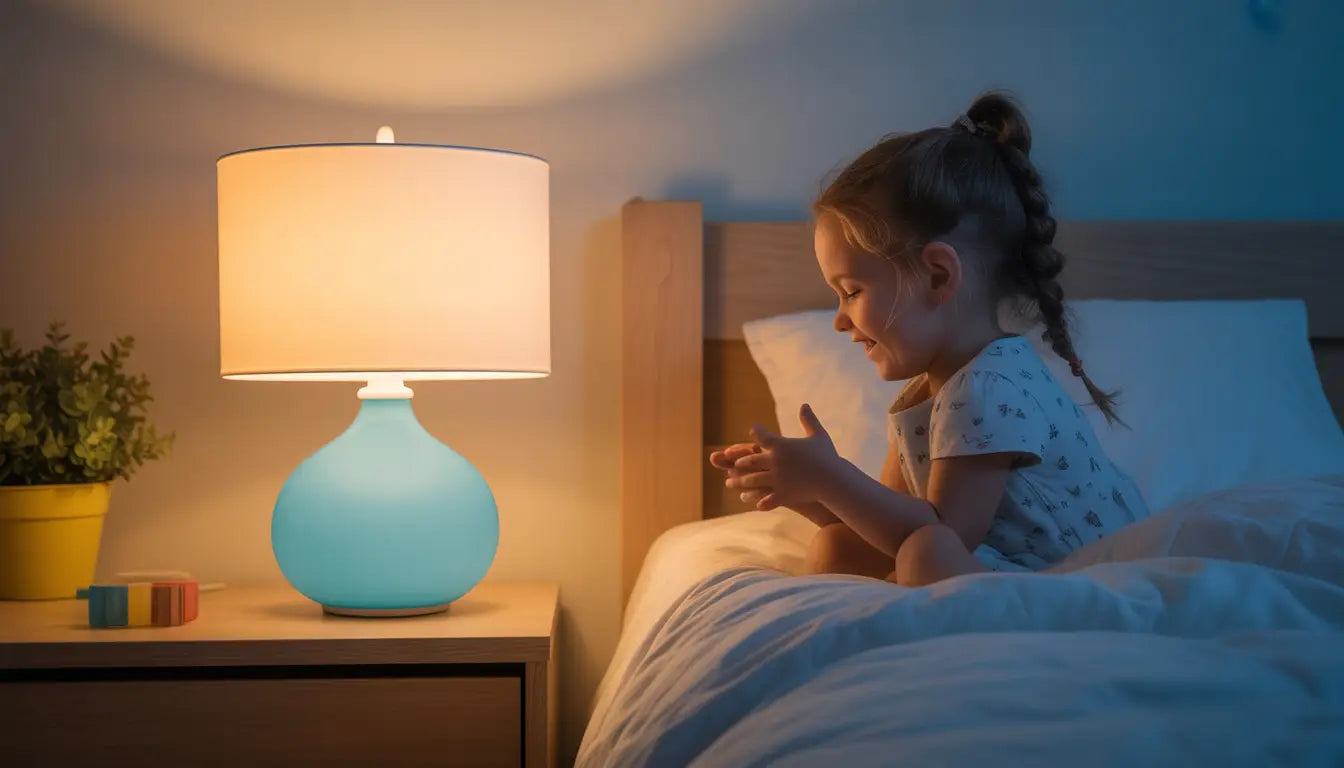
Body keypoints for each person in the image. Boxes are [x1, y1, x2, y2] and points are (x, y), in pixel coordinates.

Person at [711, 92, 1147, 586]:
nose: (840, 320)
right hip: (1001, 571)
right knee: (838, 546)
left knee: (928, 553)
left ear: (939, 276)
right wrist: (808, 489)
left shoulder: (986, 388)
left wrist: (832, 477)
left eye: (851, 291)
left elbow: (944, 536)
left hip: (1070, 581)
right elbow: (888, 526)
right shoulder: (928, 394)